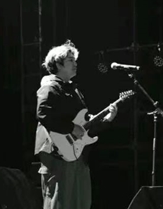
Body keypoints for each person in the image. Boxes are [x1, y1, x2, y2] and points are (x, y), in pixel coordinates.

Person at [34, 40, 118, 209]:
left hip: (77, 155)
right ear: (58, 64)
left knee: (81, 202)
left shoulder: (74, 90)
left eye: (75, 60)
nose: (75, 64)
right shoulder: (50, 87)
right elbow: (43, 113)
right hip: (57, 154)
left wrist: (107, 119)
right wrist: (71, 128)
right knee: (60, 202)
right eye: (70, 60)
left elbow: (84, 126)